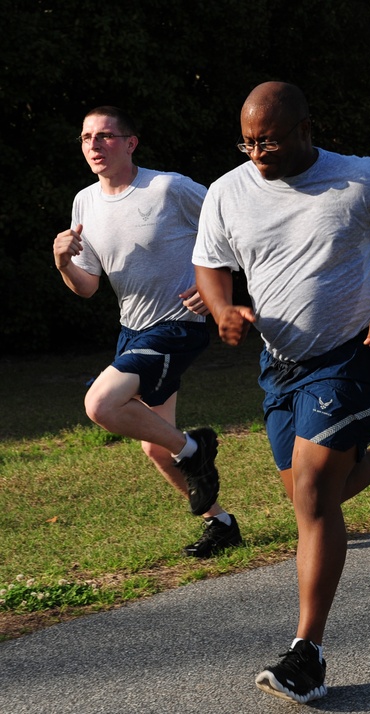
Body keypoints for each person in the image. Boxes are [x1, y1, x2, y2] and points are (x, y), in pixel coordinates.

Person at [193, 81, 370, 704]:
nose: (258, 153)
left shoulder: (366, 179)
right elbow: (210, 262)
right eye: (249, 141)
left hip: (355, 354)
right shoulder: (229, 191)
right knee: (308, 496)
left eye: (271, 140)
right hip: (281, 365)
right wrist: (223, 307)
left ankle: (306, 653)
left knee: (313, 491)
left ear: (308, 128)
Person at [52, 106, 240, 558]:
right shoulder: (85, 202)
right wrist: (61, 262)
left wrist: (213, 284)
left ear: (131, 142)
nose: (94, 146)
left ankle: (196, 449)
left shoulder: (168, 188)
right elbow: (87, 287)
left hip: (179, 324)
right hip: (132, 329)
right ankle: (223, 524)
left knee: (100, 402)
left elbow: (235, 229)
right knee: (156, 448)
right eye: (86, 138)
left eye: (105, 137)